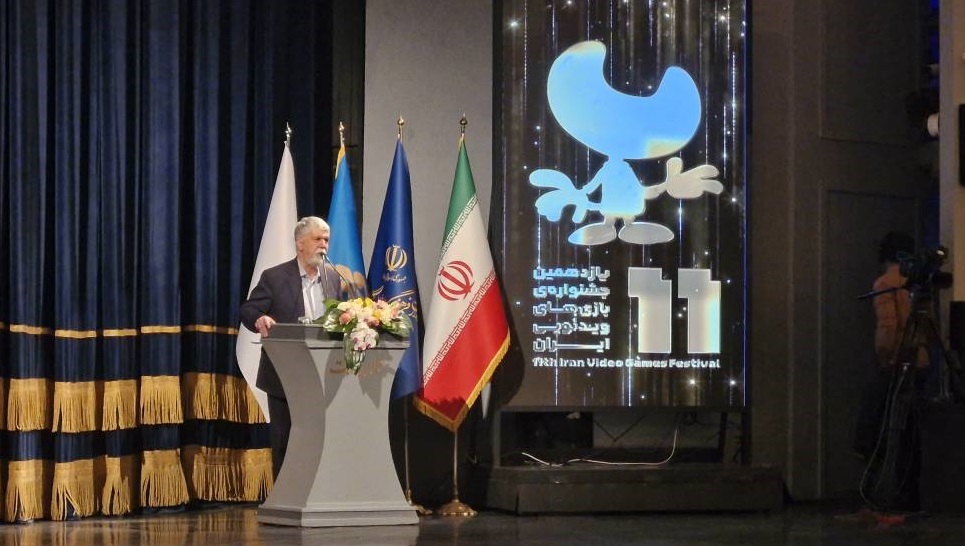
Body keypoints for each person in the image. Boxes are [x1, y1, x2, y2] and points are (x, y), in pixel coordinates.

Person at [240, 216, 341, 479]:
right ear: (300, 243)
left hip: (323, 376)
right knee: (286, 442)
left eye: (326, 240)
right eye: (318, 239)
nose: (324, 245)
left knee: (319, 443)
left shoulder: (333, 277)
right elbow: (249, 309)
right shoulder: (275, 277)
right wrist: (259, 319)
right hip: (283, 375)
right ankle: (284, 496)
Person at [854, 230, 928, 512]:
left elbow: (887, 328)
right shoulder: (918, 284)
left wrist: (884, 359)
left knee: (879, 425)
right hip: (920, 363)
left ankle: (880, 491)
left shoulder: (885, 284)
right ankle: (910, 492)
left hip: (896, 364)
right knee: (911, 431)